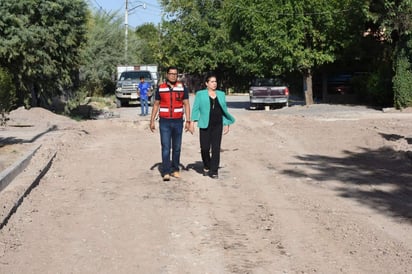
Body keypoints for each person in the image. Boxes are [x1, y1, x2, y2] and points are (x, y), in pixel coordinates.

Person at [188, 72, 235, 179]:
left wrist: (226, 123)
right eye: (212, 82)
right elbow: (196, 109)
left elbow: (224, 110)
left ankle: (214, 170)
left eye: (215, 81)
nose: (214, 84)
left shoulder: (221, 94)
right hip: (205, 123)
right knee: (204, 148)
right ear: (206, 83)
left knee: (216, 148)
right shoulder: (200, 94)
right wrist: (192, 122)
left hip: (217, 124)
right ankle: (207, 165)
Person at [150, 66, 191, 181]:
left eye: (175, 74)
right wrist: (152, 120)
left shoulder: (182, 88)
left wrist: (188, 121)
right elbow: (156, 104)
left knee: (177, 147)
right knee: (166, 147)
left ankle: (175, 169)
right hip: (165, 122)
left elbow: (186, 104)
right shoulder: (161, 88)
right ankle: (166, 171)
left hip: (178, 121)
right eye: (171, 73)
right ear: (167, 74)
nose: (173, 76)